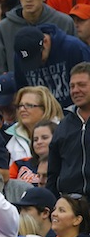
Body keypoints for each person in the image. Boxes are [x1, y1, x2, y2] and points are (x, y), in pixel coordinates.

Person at [13, 26, 90, 108]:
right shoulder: (21, 57)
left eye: (36, 57)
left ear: (45, 41)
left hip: (74, 113)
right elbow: (22, 89)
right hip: (40, 116)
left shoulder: (74, 48)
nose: (36, 64)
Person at [47, 63, 90, 195]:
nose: (75, 90)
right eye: (72, 86)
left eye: (82, 85)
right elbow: (53, 174)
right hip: (71, 204)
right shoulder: (63, 127)